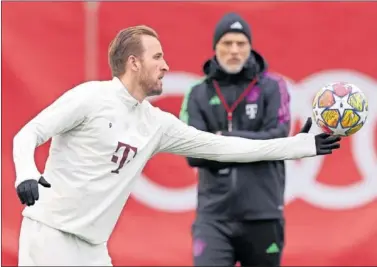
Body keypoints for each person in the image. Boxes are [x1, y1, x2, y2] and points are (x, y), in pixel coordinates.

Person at [13, 25, 340, 266]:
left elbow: (225, 148)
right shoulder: (90, 97)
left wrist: (299, 146)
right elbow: (28, 134)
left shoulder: (156, 123)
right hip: (49, 235)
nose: (166, 66)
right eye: (157, 57)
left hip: (94, 248)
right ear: (134, 63)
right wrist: (26, 172)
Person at [179, 13, 296, 266]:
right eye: (227, 43)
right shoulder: (198, 92)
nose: (234, 50)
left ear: (250, 47)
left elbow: (277, 141)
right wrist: (252, 145)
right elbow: (193, 153)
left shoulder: (274, 87)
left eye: (241, 44)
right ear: (215, 47)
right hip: (213, 217)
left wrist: (222, 139)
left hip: (263, 214)